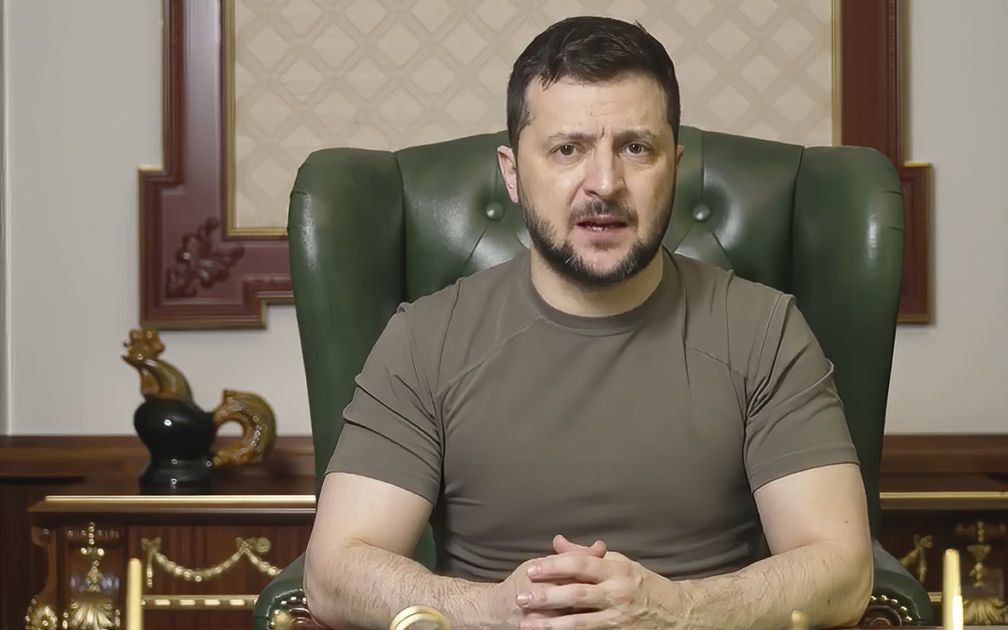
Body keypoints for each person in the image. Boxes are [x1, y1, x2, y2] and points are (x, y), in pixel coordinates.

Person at [303, 15, 872, 630]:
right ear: (512, 173)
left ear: (675, 167)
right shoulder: (425, 338)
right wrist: (494, 610)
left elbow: (843, 571)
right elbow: (333, 573)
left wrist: (675, 610)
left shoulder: (766, 330)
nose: (605, 184)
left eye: (636, 148)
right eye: (568, 149)